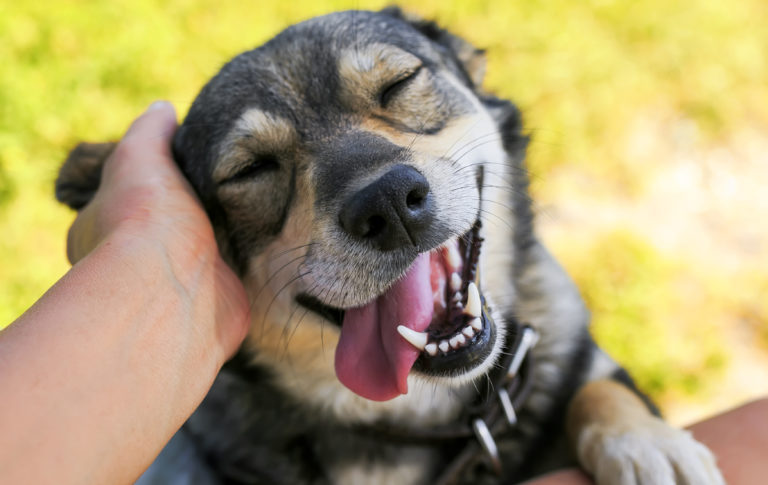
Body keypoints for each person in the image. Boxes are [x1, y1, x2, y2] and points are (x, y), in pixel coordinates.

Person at [0, 102, 765, 484]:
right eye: (255, 169)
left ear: (480, 94)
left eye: (398, 90)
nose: (381, 187)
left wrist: (607, 411)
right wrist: (148, 251)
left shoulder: (547, 318)